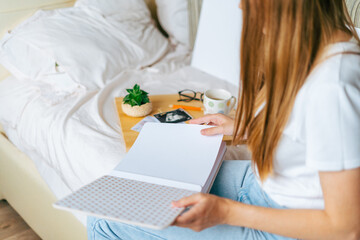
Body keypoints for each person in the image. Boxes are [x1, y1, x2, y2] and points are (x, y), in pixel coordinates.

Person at [87, 0, 360, 239]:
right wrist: (247, 128)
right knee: (123, 193)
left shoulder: (333, 87)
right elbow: (306, 132)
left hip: (288, 226)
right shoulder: (321, 46)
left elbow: (346, 228)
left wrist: (226, 212)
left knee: (103, 222)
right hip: (262, 185)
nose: (241, 6)